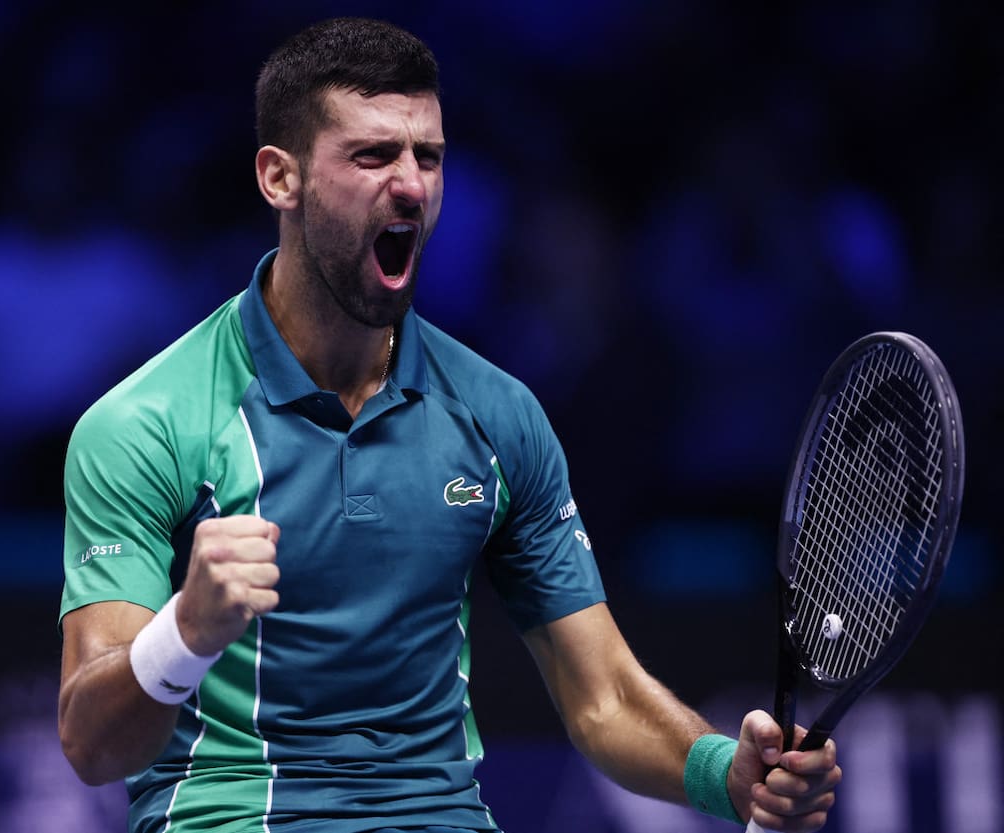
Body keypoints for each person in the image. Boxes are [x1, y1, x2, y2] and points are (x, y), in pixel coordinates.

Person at [57, 16, 841, 833]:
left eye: (427, 157)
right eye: (371, 156)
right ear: (279, 178)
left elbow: (602, 695)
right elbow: (91, 744)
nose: (411, 186)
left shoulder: (499, 415)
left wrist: (727, 771)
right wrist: (185, 631)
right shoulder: (146, 423)